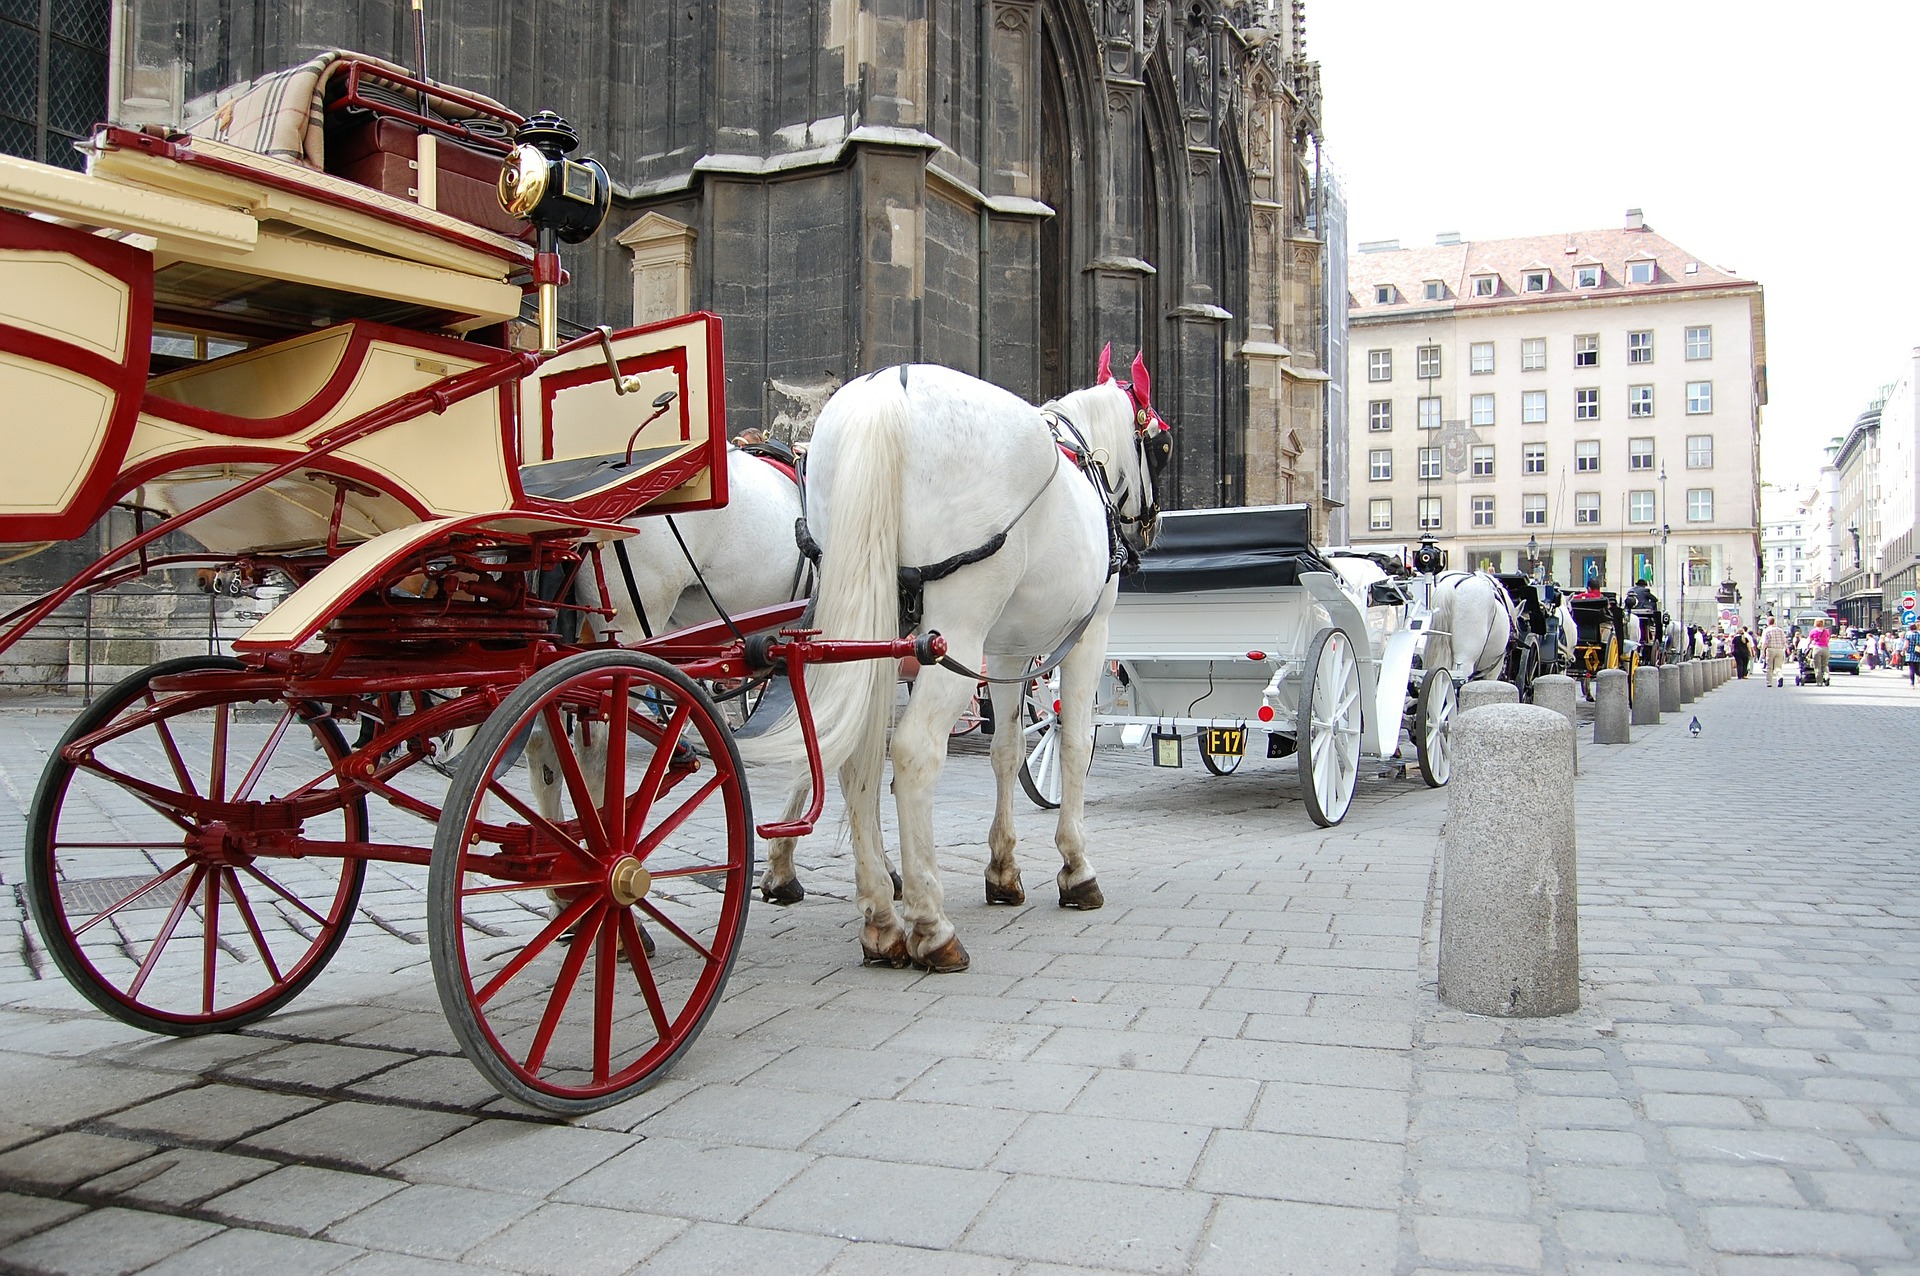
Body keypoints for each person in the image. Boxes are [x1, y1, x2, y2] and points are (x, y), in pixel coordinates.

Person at [1760, 615, 1788, 688]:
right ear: (1774, 622)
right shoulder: (1780, 630)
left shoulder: (1766, 630)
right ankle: (1780, 676)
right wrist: (1786, 648)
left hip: (1770, 649)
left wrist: (1763, 651)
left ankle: (1769, 682)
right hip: (1779, 650)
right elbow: (1784, 641)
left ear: (1768, 622)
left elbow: (1765, 642)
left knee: (1769, 667)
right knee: (1778, 666)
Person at [1807, 617, 1832, 686]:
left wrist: (1807, 647)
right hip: (1825, 649)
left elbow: (1809, 641)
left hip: (1817, 648)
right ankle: (1827, 677)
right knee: (1825, 665)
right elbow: (1828, 639)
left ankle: (1819, 682)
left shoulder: (1813, 631)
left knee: (1817, 666)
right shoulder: (1826, 631)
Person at [1906, 623, 1920, 687]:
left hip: (1910, 653)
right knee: (1917, 669)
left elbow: (1906, 644)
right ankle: (1918, 676)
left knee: (1911, 668)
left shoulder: (1908, 634)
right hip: (1918, 652)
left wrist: (1903, 651)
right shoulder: (1918, 634)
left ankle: (1912, 683)